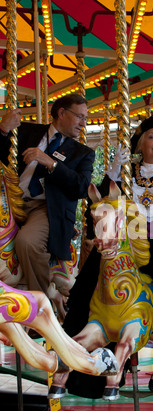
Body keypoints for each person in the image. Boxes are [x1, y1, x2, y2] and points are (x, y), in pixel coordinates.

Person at [61, 114, 153, 403]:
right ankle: (79, 366)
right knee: (85, 291)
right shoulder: (127, 175)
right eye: (151, 136)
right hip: (122, 247)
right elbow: (98, 210)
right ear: (140, 144)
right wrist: (112, 177)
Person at [0, 93, 95, 295]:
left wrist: (51, 163)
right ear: (61, 112)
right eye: (80, 117)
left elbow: (81, 187)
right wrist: (3, 129)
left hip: (46, 209)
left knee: (28, 241)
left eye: (85, 119)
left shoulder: (82, 153)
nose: (83, 124)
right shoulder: (25, 131)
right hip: (11, 202)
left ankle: (40, 304)